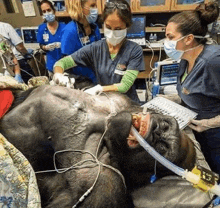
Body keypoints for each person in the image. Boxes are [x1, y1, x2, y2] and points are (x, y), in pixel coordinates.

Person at [163, 2, 220, 174]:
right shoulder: (185, 60)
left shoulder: (213, 62)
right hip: (203, 136)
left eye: (170, 37)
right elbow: (190, 93)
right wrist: (164, 102)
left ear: (188, 39)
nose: (166, 42)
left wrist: (209, 123)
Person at [53, 0, 144, 103]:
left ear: (127, 26)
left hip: (128, 104)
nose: (113, 33)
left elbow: (124, 86)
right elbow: (62, 63)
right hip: (105, 103)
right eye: (109, 27)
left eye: (118, 29)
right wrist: (58, 75)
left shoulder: (134, 50)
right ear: (103, 24)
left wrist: (100, 89)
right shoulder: (95, 48)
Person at [60, 0, 101, 83]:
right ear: (80, 7)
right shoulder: (70, 31)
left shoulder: (95, 27)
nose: (96, 9)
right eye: (92, 6)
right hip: (80, 81)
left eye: (95, 6)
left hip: (96, 77)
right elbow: (66, 65)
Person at [37, 0, 66, 78]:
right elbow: (41, 44)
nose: (47, 13)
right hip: (51, 66)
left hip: (65, 65)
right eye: (44, 11)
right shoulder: (42, 28)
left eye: (49, 10)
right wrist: (45, 47)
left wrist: (62, 45)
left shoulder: (64, 27)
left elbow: (70, 45)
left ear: (54, 10)